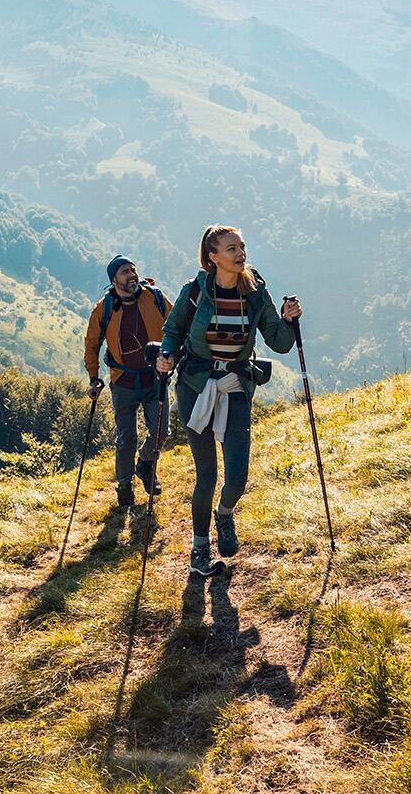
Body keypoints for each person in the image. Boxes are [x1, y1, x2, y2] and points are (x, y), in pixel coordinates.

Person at [156, 225, 302, 576]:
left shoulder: (254, 293)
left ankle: (224, 514)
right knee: (206, 473)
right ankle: (199, 549)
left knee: (236, 477)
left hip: (236, 383)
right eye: (232, 248)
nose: (240, 253)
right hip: (195, 384)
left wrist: (288, 319)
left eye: (242, 246)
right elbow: (173, 331)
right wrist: (166, 356)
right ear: (213, 256)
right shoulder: (195, 292)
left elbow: (280, 343)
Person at [83, 254, 172, 508]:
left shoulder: (154, 297)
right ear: (114, 279)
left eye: (133, 269)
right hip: (122, 380)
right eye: (125, 272)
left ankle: (144, 464)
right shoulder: (105, 308)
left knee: (161, 430)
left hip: (155, 377)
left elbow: (176, 326)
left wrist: (173, 357)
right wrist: (93, 378)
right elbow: (92, 344)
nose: (131, 275)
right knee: (126, 438)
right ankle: (124, 486)